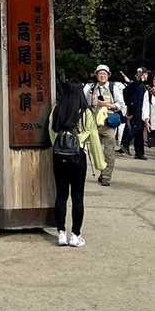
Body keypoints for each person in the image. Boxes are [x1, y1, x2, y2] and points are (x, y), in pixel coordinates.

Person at [49, 80, 92, 247]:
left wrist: (59, 145)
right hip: (78, 156)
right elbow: (92, 136)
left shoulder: (57, 109)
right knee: (77, 196)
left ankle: (61, 233)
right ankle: (75, 235)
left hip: (59, 156)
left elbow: (51, 132)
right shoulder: (85, 112)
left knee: (61, 195)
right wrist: (100, 163)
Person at [88, 64, 120, 187]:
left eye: (104, 74)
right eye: (100, 73)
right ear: (96, 75)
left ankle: (106, 176)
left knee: (109, 152)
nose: (102, 76)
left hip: (108, 123)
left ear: (108, 75)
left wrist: (107, 105)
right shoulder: (91, 88)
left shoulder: (113, 87)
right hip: (94, 123)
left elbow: (121, 104)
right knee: (97, 151)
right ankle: (102, 171)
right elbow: (85, 103)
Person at [125, 68, 150, 160]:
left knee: (139, 132)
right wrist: (139, 77)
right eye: (145, 74)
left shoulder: (143, 85)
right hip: (137, 110)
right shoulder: (137, 84)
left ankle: (139, 153)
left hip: (141, 110)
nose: (146, 76)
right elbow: (135, 84)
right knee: (137, 129)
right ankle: (125, 143)